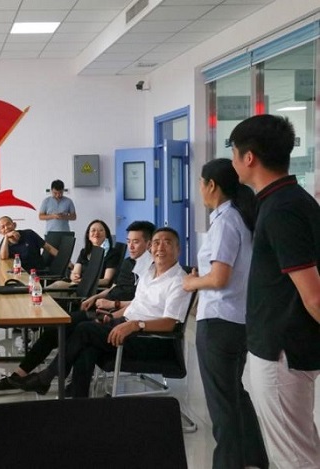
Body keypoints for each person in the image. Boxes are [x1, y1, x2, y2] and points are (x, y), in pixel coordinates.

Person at [229, 114, 320, 468]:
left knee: (295, 459)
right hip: (280, 346)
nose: (233, 162)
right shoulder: (286, 200)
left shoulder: (283, 208)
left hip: (282, 350)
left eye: (234, 154)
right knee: (301, 450)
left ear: (249, 157)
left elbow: (313, 295)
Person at [17, 228, 191, 398]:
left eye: (167, 243)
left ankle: (47, 377)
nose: (160, 248)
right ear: (150, 248)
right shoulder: (148, 272)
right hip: (126, 327)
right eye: (156, 243)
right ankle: (77, 399)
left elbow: (169, 323)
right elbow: (136, 305)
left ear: (178, 249)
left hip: (149, 340)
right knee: (87, 346)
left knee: (84, 329)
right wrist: (112, 316)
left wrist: (136, 325)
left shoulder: (179, 281)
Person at [0, 220, 154, 394]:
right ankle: (21, 374)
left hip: (116, 314)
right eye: (129, 241)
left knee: (77, 333)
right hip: (102, 306)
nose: (130, 246)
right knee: (55, 330)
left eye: (135, 242)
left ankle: (48, 379)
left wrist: (114, 304)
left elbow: (142, 303)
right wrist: (96, 296)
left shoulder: (150, 269)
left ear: (149, 243)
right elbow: (115, 287)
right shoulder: (129, 262)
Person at [182, 158, 268, 469]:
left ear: (211, 185)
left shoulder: (226, 221)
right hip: (236, 320)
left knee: (222, 406)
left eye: (200, 183)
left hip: (219, 321)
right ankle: (254, 460)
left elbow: (220, 278)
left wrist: (191, 282)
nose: (199, 189)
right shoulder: (239, 217)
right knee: (234, 396)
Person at [47, 219, 120, 290]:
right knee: (56, 285)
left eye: (101, 230)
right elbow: (75, 271)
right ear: (88, 235)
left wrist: (84, 282)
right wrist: (74, 276)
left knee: (55, 287)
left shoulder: (112, 253)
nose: (96, 233)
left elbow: (106, 281)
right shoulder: (84, 252)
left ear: (106, 234)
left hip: (93, 290)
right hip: (77, 286)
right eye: (93, 230)